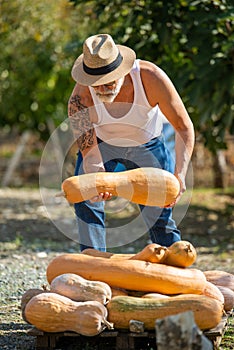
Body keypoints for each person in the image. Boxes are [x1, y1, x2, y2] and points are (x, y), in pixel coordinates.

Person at [68, 33, 195, 252]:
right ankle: (93, 264)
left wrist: (181, 173)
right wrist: (98, 178)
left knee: (160, 211)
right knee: (87, 198)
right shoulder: (80, 100)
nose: (102, 88)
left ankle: (176, 265)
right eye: (96, 84)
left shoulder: (151, 78)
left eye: (108, 81)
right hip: (103, 145)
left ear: (122, 70)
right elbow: (90, 154)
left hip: (148, 145)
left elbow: (183, 127)